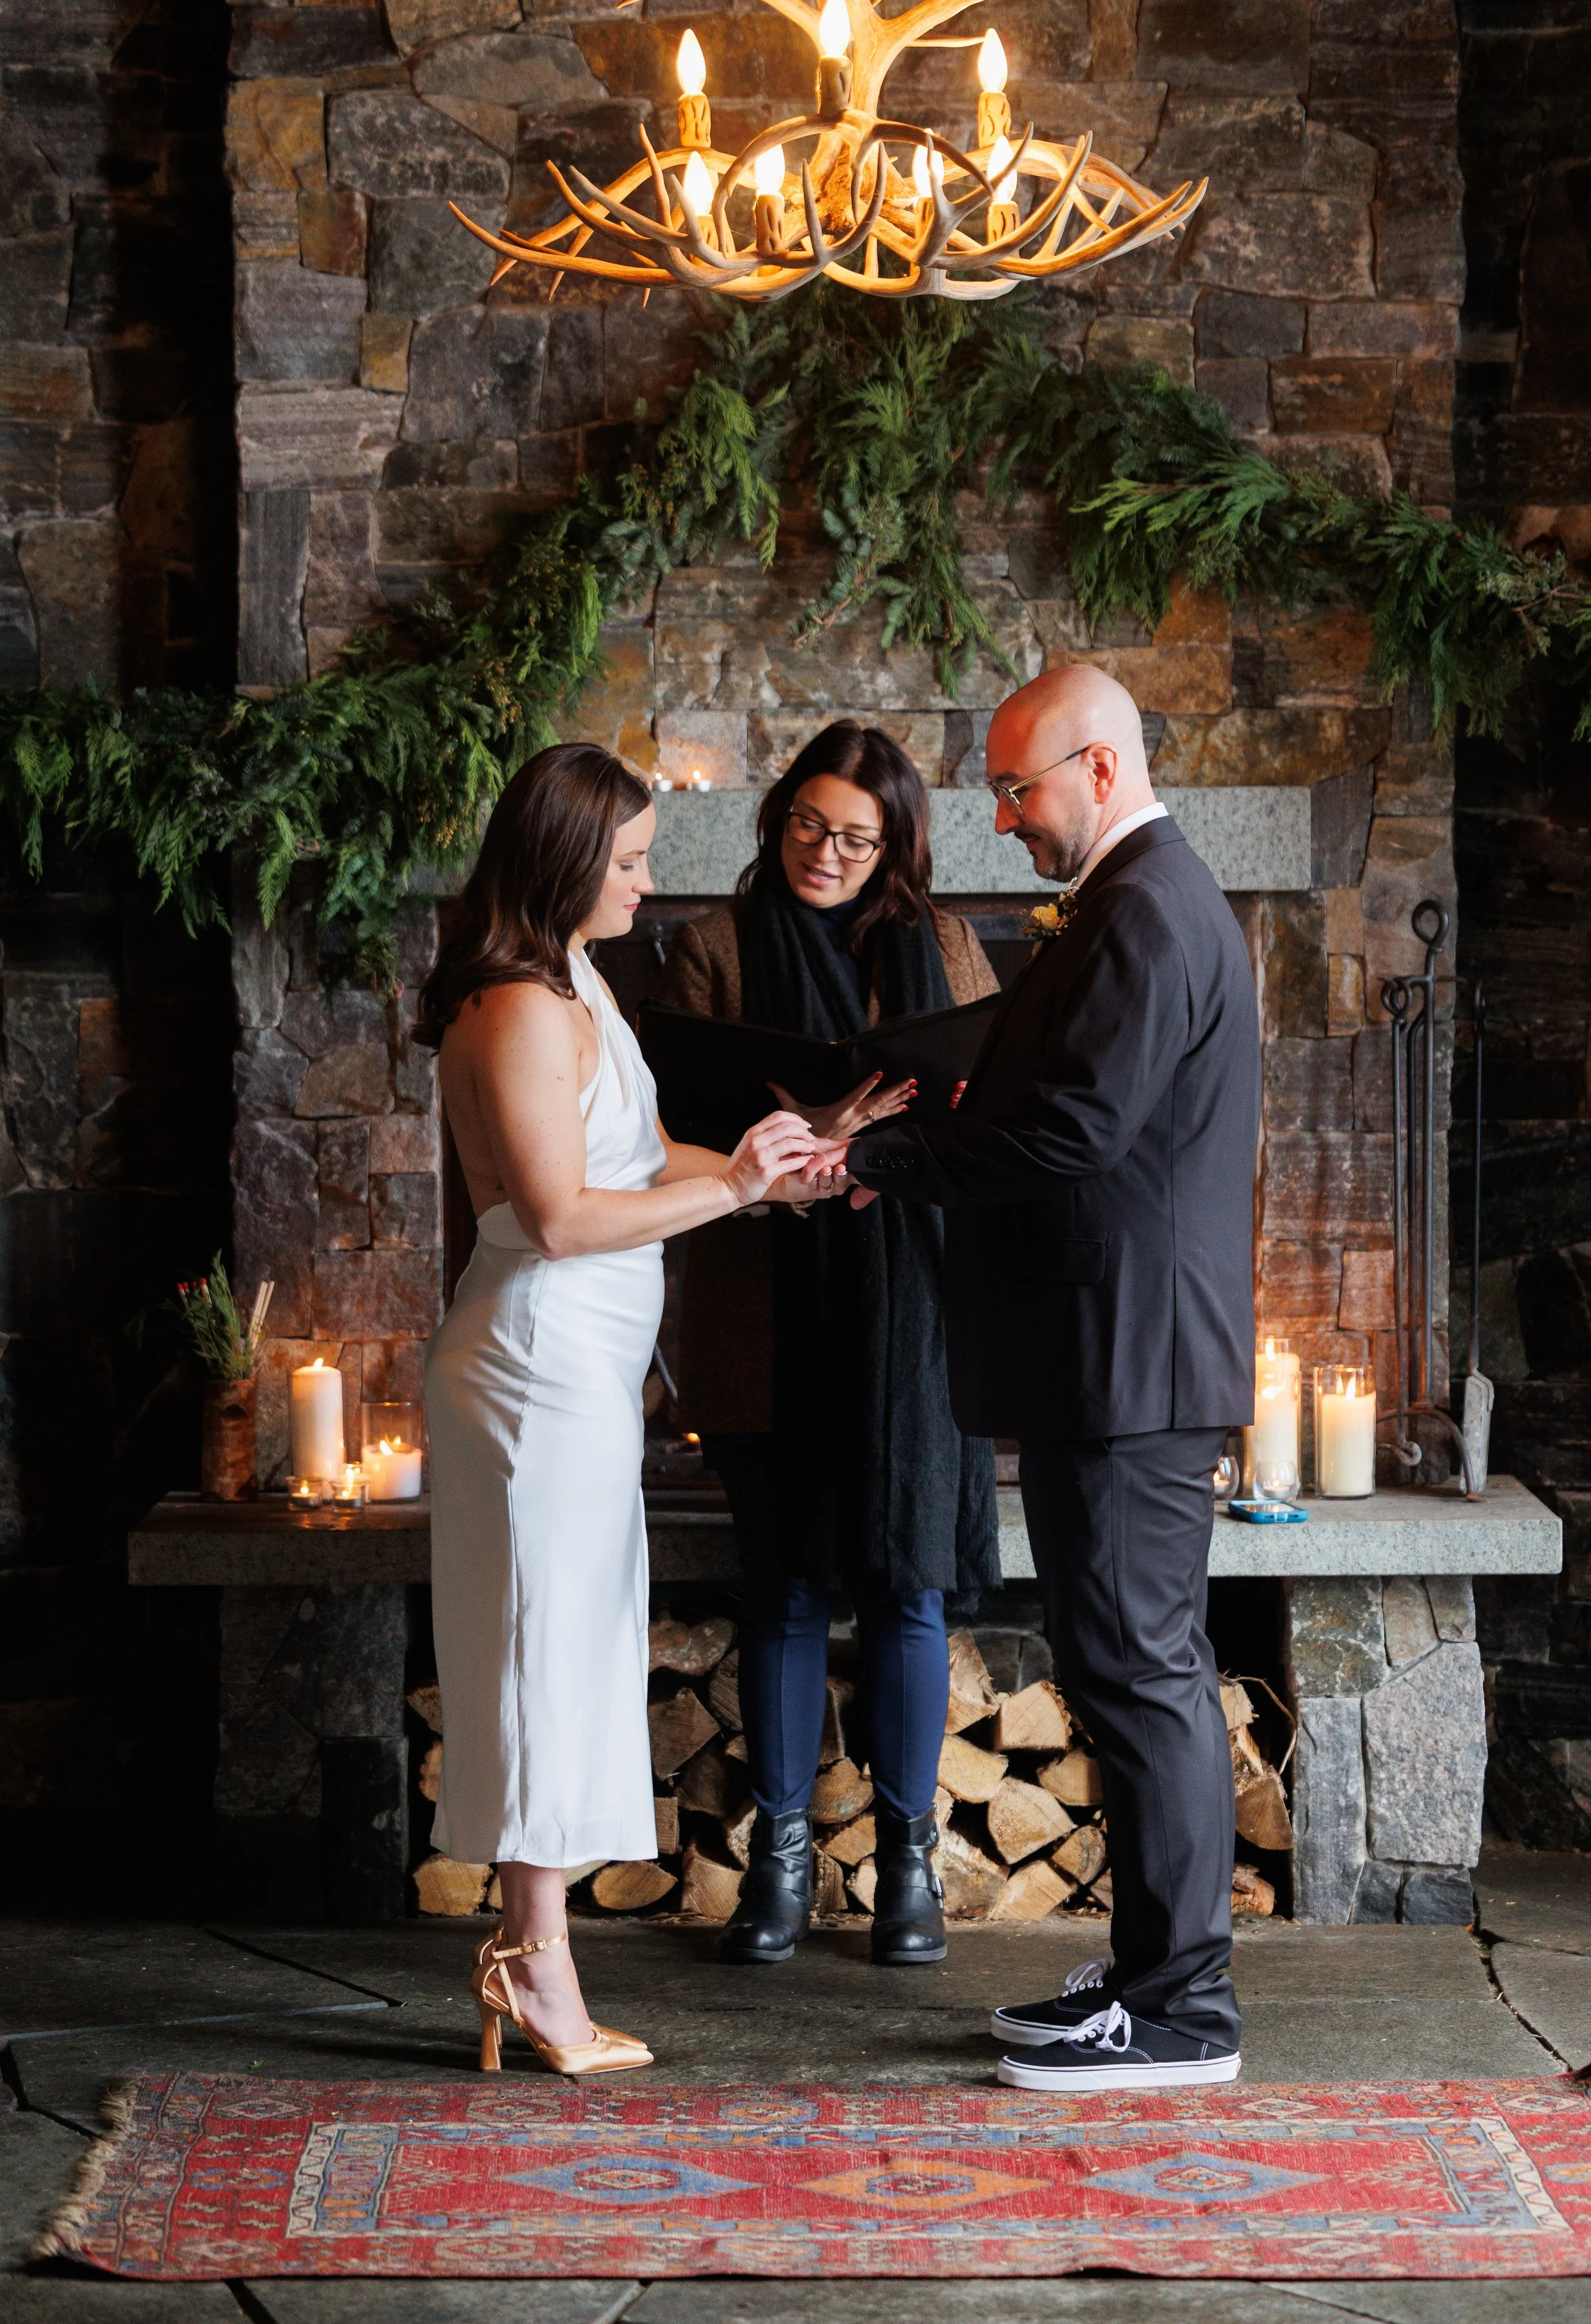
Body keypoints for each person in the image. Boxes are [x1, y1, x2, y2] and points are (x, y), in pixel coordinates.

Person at [842, 666, 1260, 2091]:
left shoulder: (1144, 906)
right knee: (1118, 1660)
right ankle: (1151, 1970)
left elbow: (1075, 1134)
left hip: (1132, 1360)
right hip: (1112, 1356)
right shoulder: (1129, 903)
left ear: (1096, 767)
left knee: (1143, 1669)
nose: (1002, 819)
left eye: (1016, 789)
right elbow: (1075, 1105)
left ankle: (1183, 2011)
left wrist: (882, 1159)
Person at [416, 742, 836, 2078]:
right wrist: (741, 1195)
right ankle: (533, 1968)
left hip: (580, 1370)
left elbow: (642, 1154)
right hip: (535, 1369)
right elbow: (556, 1216)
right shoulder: (521, 1008)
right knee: (541, 1659)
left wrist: (793, 1164)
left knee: (571, 1652)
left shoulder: (577, 982)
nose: (651, 884)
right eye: (632, 862)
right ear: (560, 862)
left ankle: (524, 1956)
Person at [653, 720, 1001, 1966]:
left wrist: (880, 1151)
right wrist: (800, 1141)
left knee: (906, 1586)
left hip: (910, 1315)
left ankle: (909, 1865)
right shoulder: (703, 951)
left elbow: (991, 1122)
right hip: (764, 1308)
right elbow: (668, 1137)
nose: (827, 850)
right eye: (808, 822)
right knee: (786, 1585)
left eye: (857, 835)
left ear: (895, 843)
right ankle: (783, 1862)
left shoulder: (950, 947)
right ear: (777, 815)